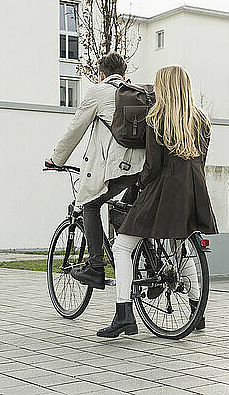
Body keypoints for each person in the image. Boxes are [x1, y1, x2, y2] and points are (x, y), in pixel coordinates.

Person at [97, 65, 219, 338]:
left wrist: (138, 182)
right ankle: (196, 312)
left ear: (164, 87)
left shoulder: (157, 118)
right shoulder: (201, 120)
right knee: (181, 243)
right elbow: (202, 161)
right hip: (194, 189)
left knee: (122, 247)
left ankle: (124, 314)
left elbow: (153, 166)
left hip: (164, 190)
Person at [45, 52, 145, 289]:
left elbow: (75, 129)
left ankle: (96, 267)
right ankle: (149, 265)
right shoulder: (137, 93)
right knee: (129, 210)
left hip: (117, 169)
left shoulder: (98, 92)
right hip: (141, 168)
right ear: (124, 72)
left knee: (90, 205)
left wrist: (57, 159)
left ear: (101, 73)